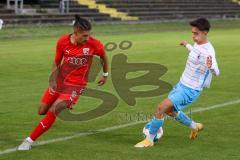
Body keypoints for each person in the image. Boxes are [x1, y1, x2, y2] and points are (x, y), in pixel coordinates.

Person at [18, 15, 109, 150]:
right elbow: (56, 61)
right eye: (84, 36)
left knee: (54, 110)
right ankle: (66, 103)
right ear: (75, 33)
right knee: (42, 111)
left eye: (89, 35)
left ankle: (28, 141)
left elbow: (104, 57)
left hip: (77, 85)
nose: (87, 39)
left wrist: (105, 74)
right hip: (60, 81)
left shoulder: (94, 44)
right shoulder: (62, 42)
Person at [135, 18, 220, 148]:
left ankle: (149, 140)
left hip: (191, 89)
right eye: (192, 33)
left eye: (196, 34)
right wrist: (187, 45)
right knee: (169, 111)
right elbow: (196, 53)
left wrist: (212, 67)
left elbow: (216, 71)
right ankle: (194, 126)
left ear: (205, 32)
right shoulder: (198, 44)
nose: (194, 36)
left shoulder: (209, 52)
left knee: (161, 108)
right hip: (181, 85)